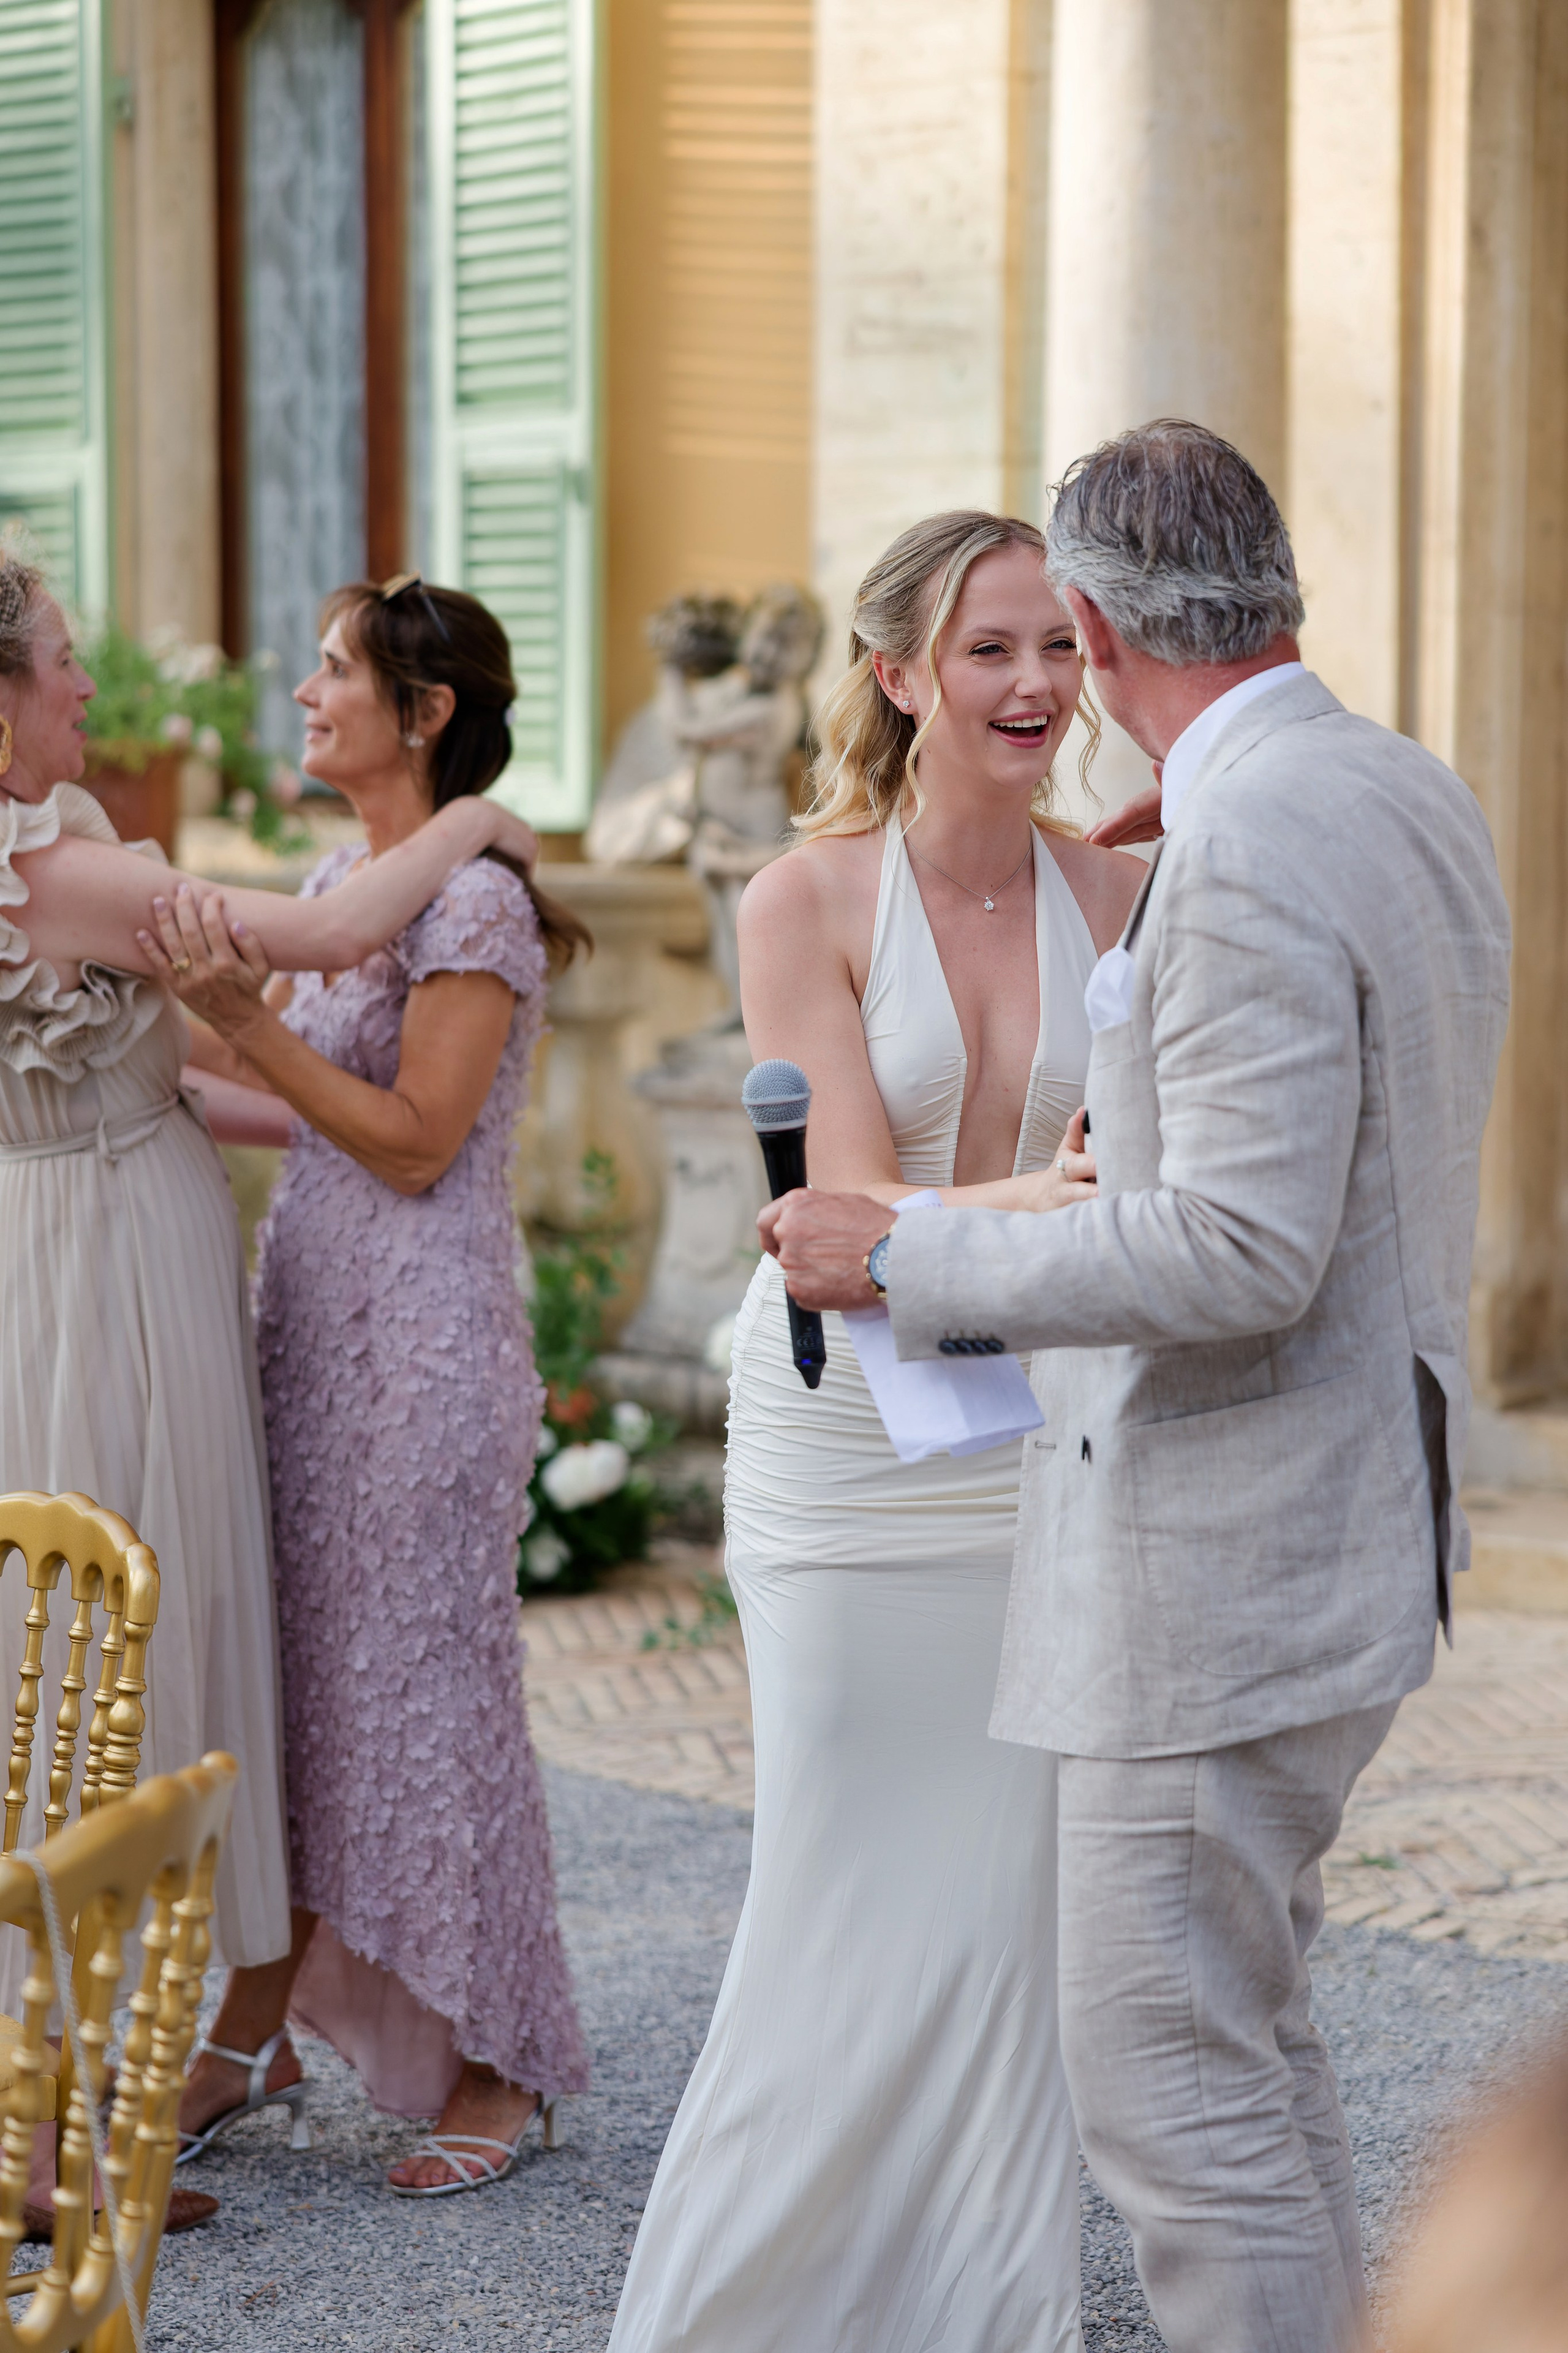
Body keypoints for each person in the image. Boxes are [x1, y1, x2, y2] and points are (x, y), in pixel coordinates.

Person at [765, 422, 1512, 2353]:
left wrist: (903, 1258)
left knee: (1174, 2089)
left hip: (1225, 1560)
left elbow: (1237, 1250)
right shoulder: (1401, 784)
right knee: (1244, 2045)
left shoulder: (1243, 840)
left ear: (1095, 632)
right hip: (1356, 1514)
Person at [608, 512, 1143, 2351]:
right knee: (834, 1881)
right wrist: (1059, 1195)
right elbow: (837, 1217)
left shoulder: (1118, 899)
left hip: (1030, 1448)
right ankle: (734, 2312)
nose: (1034, 683)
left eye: (1059, 646)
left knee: (1008, 1909)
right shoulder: (805, 900)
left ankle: (984, 2312)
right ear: (902, 675)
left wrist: (1050, 1205)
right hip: (844, 1456)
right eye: (990, 648)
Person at [0, 549, 541, 2230]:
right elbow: (311, 961)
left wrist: (258, 1077)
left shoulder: (67, 851)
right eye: (66, 658)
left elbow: (252, 1085)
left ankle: (241, 2056)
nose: (94, 686)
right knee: (111, 1672)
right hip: (123, 1283)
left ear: (416, 710)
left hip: (244, 1278)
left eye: (332, 668)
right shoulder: (57, 862)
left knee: (194, 1667)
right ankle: (65, 2122)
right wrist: (483, 820)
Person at [155, 580, 590, 2197]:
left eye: (333, 669)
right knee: (300, 1692)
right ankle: (255, 2024)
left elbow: (414, 1140)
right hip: (313, 1332)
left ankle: (499, 2058)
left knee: (429, 1697)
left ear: (424, 711)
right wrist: (136, 1051)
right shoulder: (346, 884)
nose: (304, 692)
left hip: (422, 1346)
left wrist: (242, 1028)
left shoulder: (474, 906)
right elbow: (274, 1084)